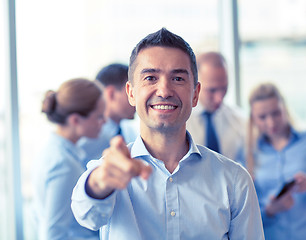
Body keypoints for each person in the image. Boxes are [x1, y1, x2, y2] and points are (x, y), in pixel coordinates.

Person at [71, 28, 264, 240]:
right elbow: (86, 213)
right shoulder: (109, 171)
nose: (164, 91)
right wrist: (99, 183)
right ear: (131, 93)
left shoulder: (235, 181)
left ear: (195, 94)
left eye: (178, 79)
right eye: (151, 78)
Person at [246, 82, 306, 240]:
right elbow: (245, 217)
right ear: (253, 118)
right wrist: (270, 210)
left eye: (276, 113)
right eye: (262, 117)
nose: (271, 122)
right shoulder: (247, 154)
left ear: (285, 108)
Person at [32, 78, 105, 239]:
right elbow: (54, 234)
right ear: (75, 120)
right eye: (99, 116)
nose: (104, 122)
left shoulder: (51, 150)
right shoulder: (64, 164)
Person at [186, 51, 246, 165]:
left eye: (224, 88)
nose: (219, 98)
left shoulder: (239, 120)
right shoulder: (178, 121)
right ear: (194, 84)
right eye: (212, 90)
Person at [77, 63, 137, 166]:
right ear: (111, 94)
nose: (136, 98)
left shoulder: (130, 132)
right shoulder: (86, 138)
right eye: (130, 91)